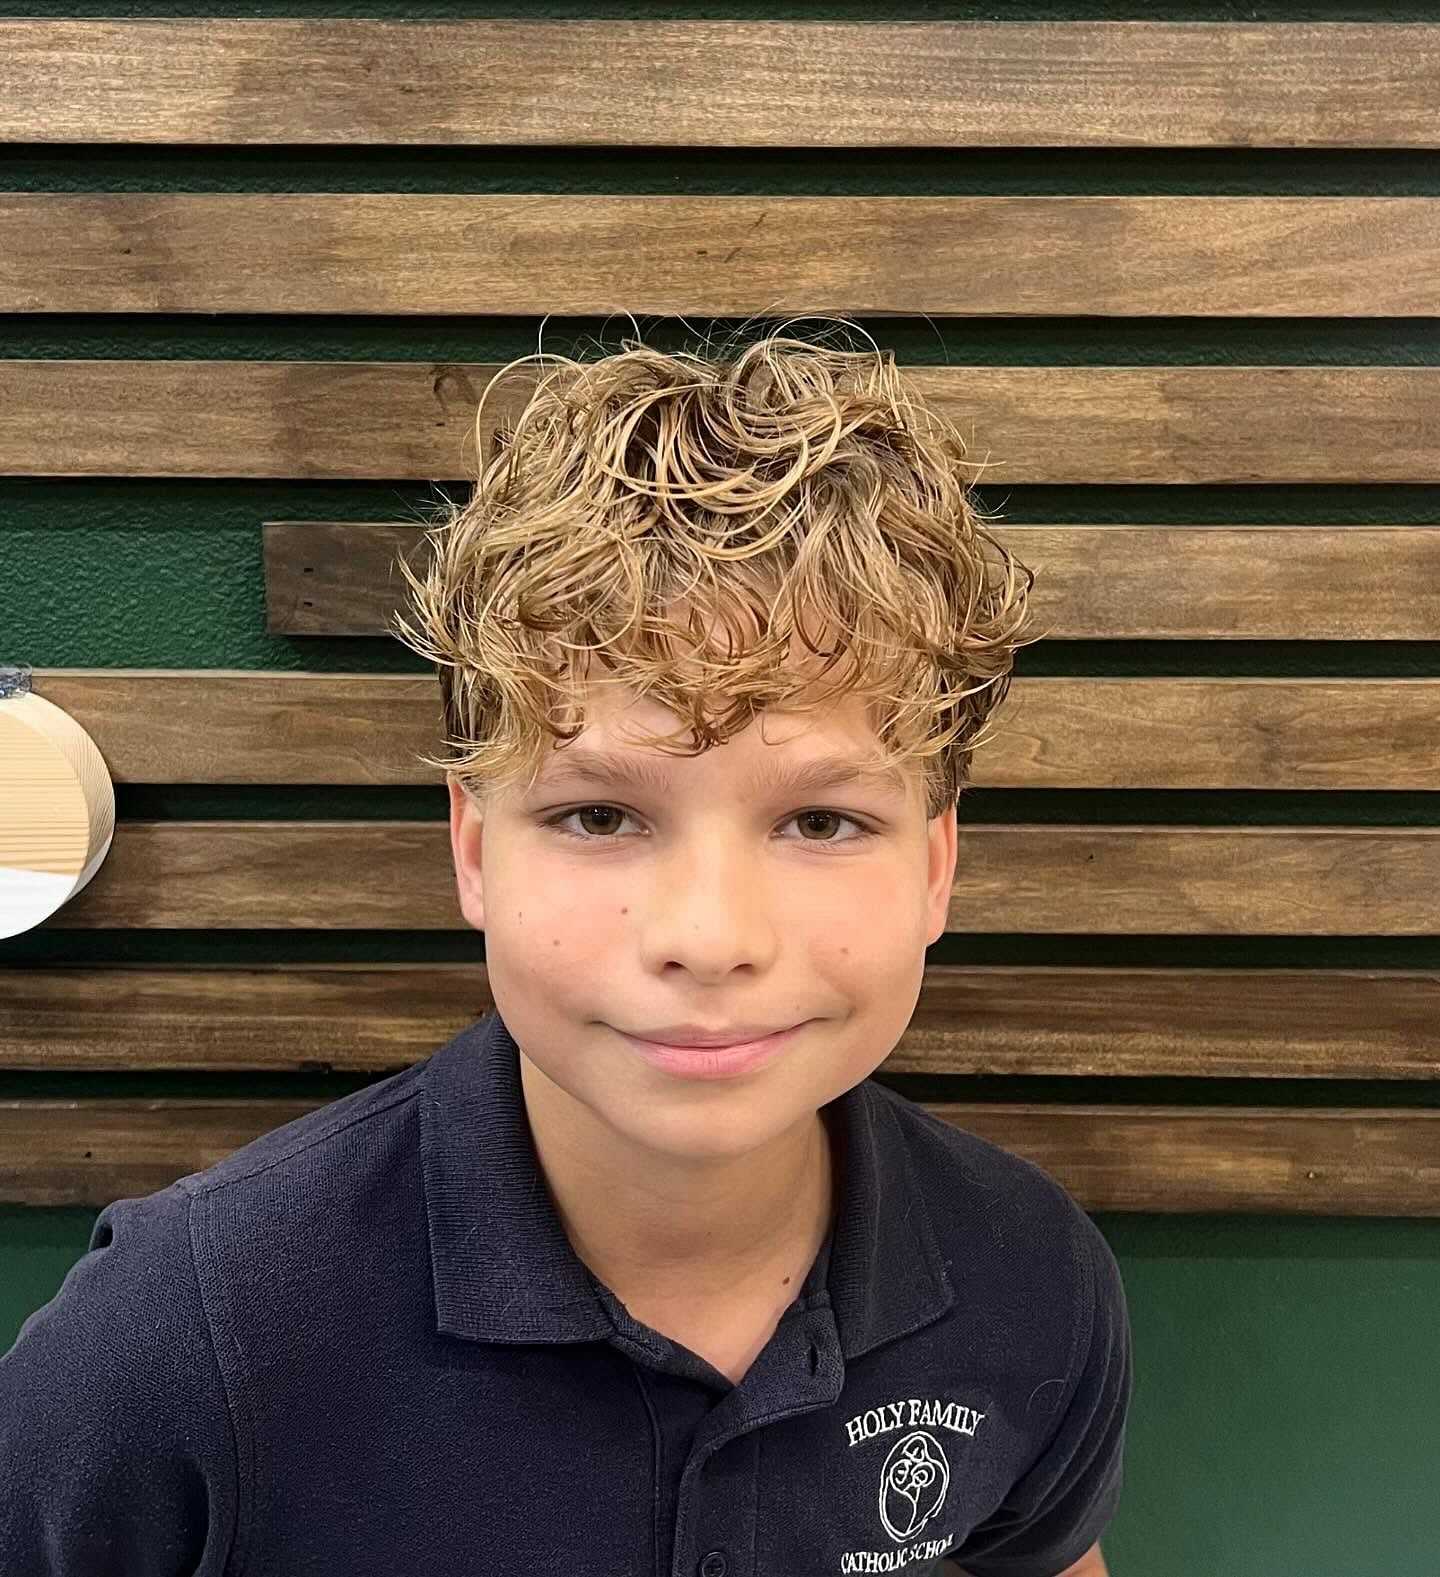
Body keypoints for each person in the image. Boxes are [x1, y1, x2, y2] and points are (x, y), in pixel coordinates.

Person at [0, 318, 1131, 1577]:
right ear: (475, 849)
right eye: (599, 814)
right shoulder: (179, 1337)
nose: (710, 938)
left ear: (935, 862)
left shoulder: (1034, 1278)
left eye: (823, 818)